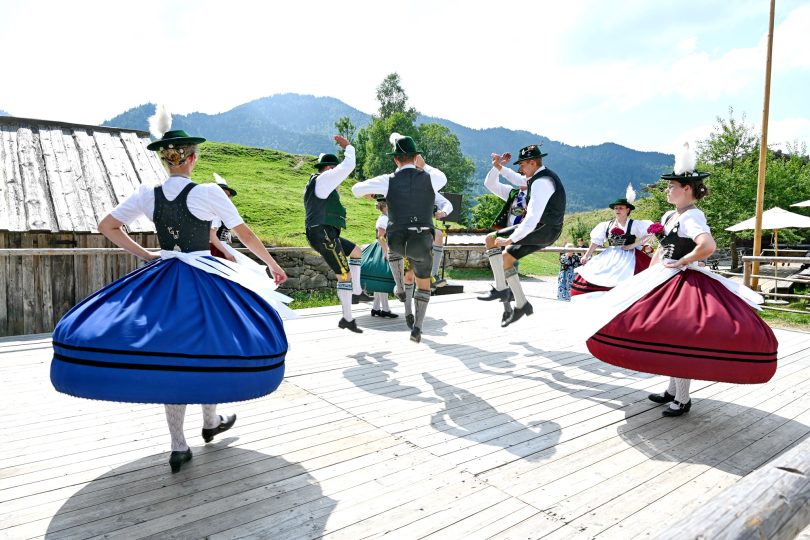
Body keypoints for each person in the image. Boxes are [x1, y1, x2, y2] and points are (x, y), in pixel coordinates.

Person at [50, 105, 291, 473]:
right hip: (205, 278)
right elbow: (243, 233)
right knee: (212, 344)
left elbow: (107, 226)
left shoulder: (147, 193)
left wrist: (147, 255)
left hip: (164, 276)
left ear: (166, 160)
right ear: (192, 158)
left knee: (171, 354)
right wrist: (272, 264)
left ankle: (180, 444)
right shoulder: (209, 192)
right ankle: (210, 421)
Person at [579, 143, 779, 417]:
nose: (667, 190)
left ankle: (682, 398)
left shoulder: (693, 216)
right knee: (664, 333)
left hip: (684, 280)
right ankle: (672, 390)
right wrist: (649, 275)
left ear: (687, 189)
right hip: (664, 276)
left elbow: (707, 245)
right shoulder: (671, 215)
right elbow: (662, 248)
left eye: (671, 186)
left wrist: (684, 261)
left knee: (678, 336)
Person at [351, 133, 447, 343]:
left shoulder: (388, 180)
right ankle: (417, 327)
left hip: (397, 238)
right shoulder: (432, 179)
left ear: (395, 159)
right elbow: (442, 177)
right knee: (424, 284)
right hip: (422, 239)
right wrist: (423, 165)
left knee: (394, 248)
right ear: (416, 158)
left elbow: (356, 189)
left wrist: (373, 192)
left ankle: (401, 288)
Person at [477, 144, 566, 327]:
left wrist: (511, 239)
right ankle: (521, 303)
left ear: (532, 163)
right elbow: (516, 178)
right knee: (505, 256)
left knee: (493, 241)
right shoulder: (535, 178)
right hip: (542, 228)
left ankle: (501, 289)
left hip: (543, 229)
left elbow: (532, 217)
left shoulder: (541, 183)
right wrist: (499, 167)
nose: (521, 169)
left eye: (523, 165)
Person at [304, 135, 370, 334]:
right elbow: (348, 165)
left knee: (356, 251)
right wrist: (349, 147)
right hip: (323, 233)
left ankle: (357, 291)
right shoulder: (324, 179)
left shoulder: (319, 183)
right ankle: (347, 319)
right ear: (330, 169)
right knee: (344, 274)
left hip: (325, 232)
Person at [571, 184, 652, 296]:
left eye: (621, 208)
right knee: (596, 274)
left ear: (627, 210)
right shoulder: (606, 225)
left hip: (628, 256)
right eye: (616, 208)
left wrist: (632, 245)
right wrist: (587, 255)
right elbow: (595, 241)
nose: (618, 210)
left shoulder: (634, 225)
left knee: (627, 278)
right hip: (610, 254)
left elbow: (650, 233)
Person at [368, 196, 398, 318]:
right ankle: (385, 309)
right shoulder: (383, 219)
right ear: (386, 207)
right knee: (382, 280)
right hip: (383, 249)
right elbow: (380, 237)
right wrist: (386, 252)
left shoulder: (385, 218)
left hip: (384, 248)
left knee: (380, 280)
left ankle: (376, 308)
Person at [209, 173, 237, 261]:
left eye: (229, 196)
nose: (228, 198)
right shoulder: (214, 213)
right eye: (225, 195)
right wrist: (226, 253)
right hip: (214, 249)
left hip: (220, 246)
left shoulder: (220, 211)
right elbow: (211, 235)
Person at [430, 192, 454, 287]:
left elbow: (447, 204)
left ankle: (433, 275)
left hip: (424, 224)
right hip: (404, 224)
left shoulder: (429, 188)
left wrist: (443, 212)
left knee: (438, 234)